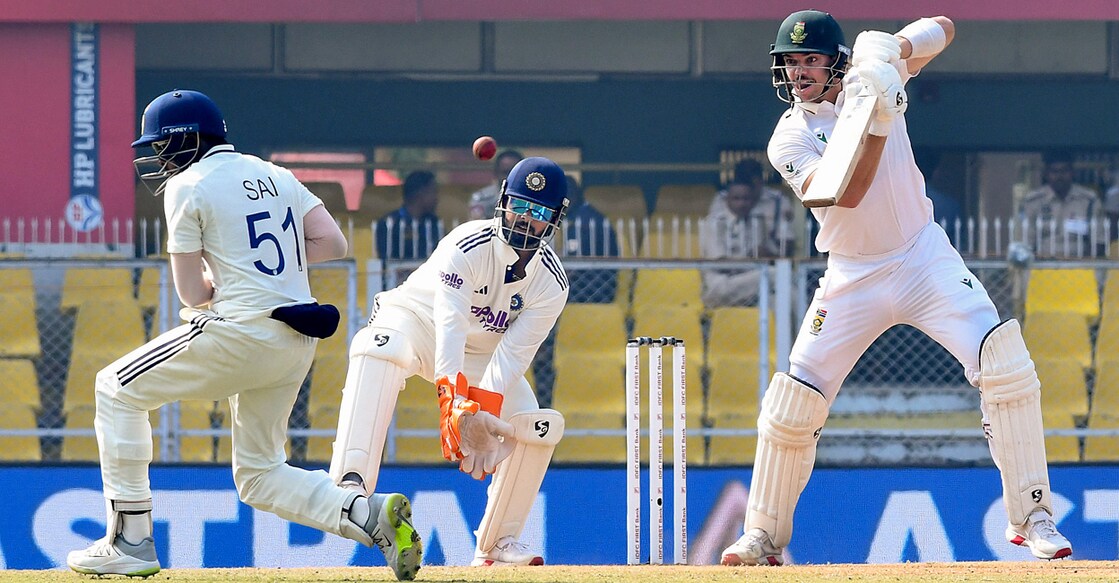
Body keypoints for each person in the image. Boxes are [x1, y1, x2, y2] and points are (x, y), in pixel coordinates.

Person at [720, 11, 1072, 566]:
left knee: (1005, 363)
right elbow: (843, 194)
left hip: (922, 257)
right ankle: (763, 535)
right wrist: (880, 118)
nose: (798, 71)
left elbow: (945, 27)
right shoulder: (789, 136)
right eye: (789, 62)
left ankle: (1033, 517)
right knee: (793, 401)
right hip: (851, 276)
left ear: (836, 61)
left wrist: (891, 52)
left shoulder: (870, 73)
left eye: (810, 59)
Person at [65, 90, 422, 580]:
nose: (160, 159)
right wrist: (256, 268)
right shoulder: (276, 174)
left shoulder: (187, 184)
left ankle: (130, 541)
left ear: (187, 140)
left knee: (114, 388)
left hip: (243, 334)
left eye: (163, 147)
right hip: (296, 338)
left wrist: (235, 274)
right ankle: (366, 513)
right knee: (260, 475)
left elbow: (193, 294)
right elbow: (333, 242)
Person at [330, 157, 570, 566]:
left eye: (539, 212)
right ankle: (349, 489)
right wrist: (456, 405)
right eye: (519, 205)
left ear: (554, 220)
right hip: (415, 321)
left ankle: (497, 544)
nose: (525, 218)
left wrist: (483, 410)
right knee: (378, 346)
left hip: (482, 353)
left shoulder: (552, 283)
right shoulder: (467, 244)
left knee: (537, 425)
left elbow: (512, 355)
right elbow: (450, 324)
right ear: (503, 202)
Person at [701, 176, 784, 307]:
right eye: (736, 198)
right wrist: (751, 262)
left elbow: (767, 254)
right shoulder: (714, 223)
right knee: (777, 274)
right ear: (727, 199)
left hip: (752, 286)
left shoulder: (756, 222)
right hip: (721, 285)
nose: (742, 203)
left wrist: (765, 254)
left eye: (746, 199)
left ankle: (802, 319)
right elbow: (720, 263)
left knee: (781, 300)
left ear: (753, 201)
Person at [1018, 151, 1101, 257]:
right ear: (1046, 174)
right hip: (1042, 262)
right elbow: (1026, 243)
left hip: (1080, 262)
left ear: (1072, 173)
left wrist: (1086, 263)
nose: (1059, 176)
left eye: (1064, 171)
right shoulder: (1034, 201)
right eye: (1054, 171)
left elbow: (1099, 241)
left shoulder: (1088, 200)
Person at [709, 158, 796, 255]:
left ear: (761, 180)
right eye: (736, 198)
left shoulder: (778, 201)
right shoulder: (722, 199)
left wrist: (771, 255)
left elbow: (787, 241)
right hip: (727, 256)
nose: (741, 203)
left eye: (751, 184)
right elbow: (713, 235)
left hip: (767, 259)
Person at [562, 175, 619, 303]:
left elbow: (573, 264)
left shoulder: (583, 222)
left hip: (593, 288)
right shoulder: (581, 215)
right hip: (591, 284)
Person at [376, 170, 441, 259]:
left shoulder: (434, 224)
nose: (436, 198)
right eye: (433, 191)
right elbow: (385, 260)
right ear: (420, 194)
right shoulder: (389, 225)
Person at [469, 149, 523, 219]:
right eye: (505, 172)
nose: (509, 177)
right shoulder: (481, 198)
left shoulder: (531, 199)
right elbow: (476, 222)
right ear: (496, 172)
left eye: (514, 173)